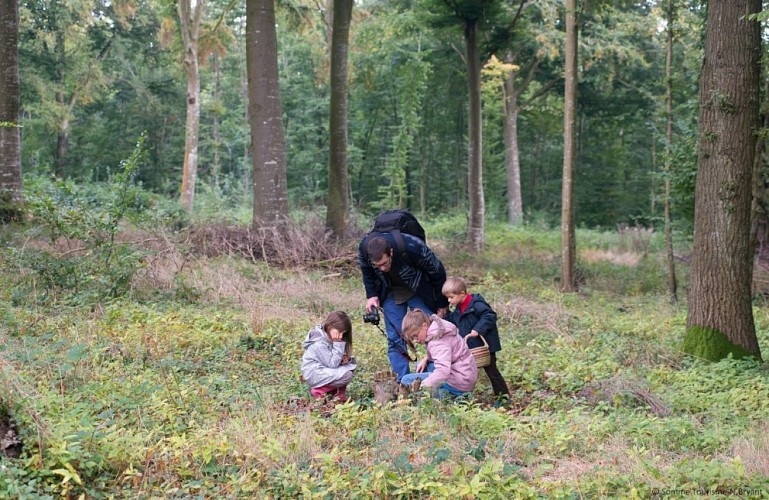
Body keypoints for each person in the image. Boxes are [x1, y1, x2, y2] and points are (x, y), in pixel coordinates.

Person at [359, 233, 448, 382]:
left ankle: (438, 377)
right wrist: (372, 295)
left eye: (385, 263)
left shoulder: (412, 246)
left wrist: (442, 302)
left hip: (418, 289)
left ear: (391, 252)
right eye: (377, 265)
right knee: (395, 338)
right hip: (390, 292)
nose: (382, 268)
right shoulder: (364, 249)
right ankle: (404, 382)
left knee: (435, 329)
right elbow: (366, 271)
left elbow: (438, 271)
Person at [443, 276, 510, 402]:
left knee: (492, 373)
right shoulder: (459, 309)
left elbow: (490, 315)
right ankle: (464, 399)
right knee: (467, 373)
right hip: (471, 347)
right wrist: (443, 317)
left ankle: (503, 399)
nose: (449, 300)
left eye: (451, 297)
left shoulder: (477, 305)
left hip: (485, 347)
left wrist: (478, 329)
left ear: (462, 293)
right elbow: (454, 321)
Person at [399, 308, 477, 399]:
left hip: (459, 384)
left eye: (415, 335)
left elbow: (443, 372)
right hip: (465, 373)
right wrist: (426, 358)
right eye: (412, 338)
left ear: (424, 326)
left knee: (406, 380)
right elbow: (445, 353)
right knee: (422, 366)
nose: (415, 340)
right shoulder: (438, 328)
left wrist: (422, 386)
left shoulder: (437, 342)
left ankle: (452, 397)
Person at [300, 311, 357, 401]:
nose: (341, 336)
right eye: (340, 332)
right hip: (314, 373)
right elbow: (332, 363)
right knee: (346, 375)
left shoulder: (328, 335)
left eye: (343, 333)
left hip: (324, 369)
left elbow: (330, 359)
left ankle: (337, 394)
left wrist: (344, 359)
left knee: (350, 365)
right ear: (331, 325)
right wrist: (337, 343)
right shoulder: (318, 343)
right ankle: (318, 391)